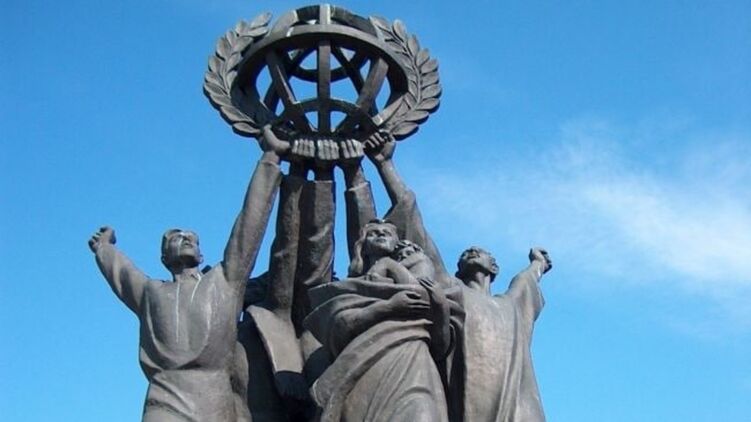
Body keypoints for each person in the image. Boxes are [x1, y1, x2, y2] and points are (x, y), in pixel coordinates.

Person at [88, 126, 286, 422]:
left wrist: (270, 158)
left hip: (214, 400)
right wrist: (103, 247)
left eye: (192, 238)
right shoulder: (151, 292)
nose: (187, 239)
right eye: (177, 238)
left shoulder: (224, 282)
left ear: (201, 256)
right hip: (165, 398)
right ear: (164, 258)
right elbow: (122, 273)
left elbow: (249, 227)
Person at [305, 215, 461, 422]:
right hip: (364, 370)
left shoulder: (420, 284)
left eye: (386, 233)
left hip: (415, 369)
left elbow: (440, 347)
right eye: (372, 234)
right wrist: (388, 307)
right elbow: (339, 330)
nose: (380, 234)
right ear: (362, 246)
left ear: (397, 244)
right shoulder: (348, 289)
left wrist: (441, 306)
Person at [455, 246, 552, 422]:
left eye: (480, 252)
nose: (471, 251)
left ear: (494, 268)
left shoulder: (510, 307)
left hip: (513, 407)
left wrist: (538, 263)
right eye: (464, 253)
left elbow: (524, 283)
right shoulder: (454, 294)